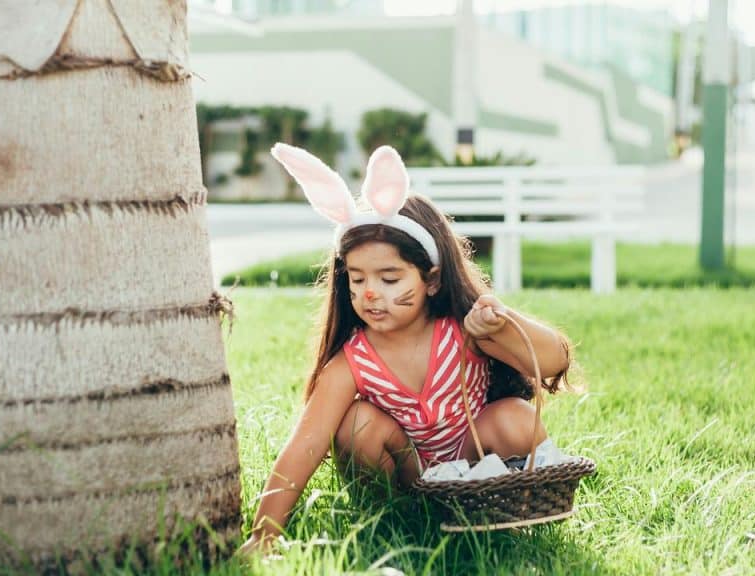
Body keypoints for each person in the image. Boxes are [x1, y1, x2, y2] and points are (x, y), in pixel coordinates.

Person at [240, 143, 574, 552]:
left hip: (474, 461)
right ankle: (400, 523)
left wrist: (503, 322)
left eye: (390, 278)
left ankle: (498, 514)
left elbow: (554, 360)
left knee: (514, 417)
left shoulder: (465, 331)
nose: (371, 294)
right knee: (356, 423)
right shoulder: (352, 363)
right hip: (408, 473)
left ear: (431, 280)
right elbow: (303, 447)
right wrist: (265, 534)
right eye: (358, 279)